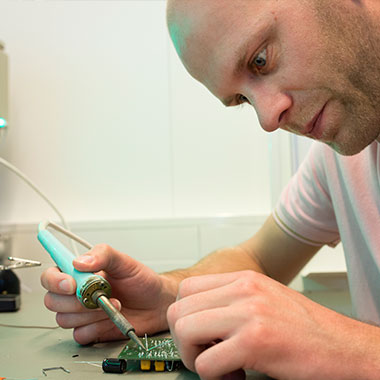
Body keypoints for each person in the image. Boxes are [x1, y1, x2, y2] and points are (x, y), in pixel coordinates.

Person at [41, 0, 380, 379]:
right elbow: (261, 260)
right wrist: (168, 295)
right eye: (242, 100)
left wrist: (339, 345)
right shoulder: (341, 156)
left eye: (261, 60)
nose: (268, 118)